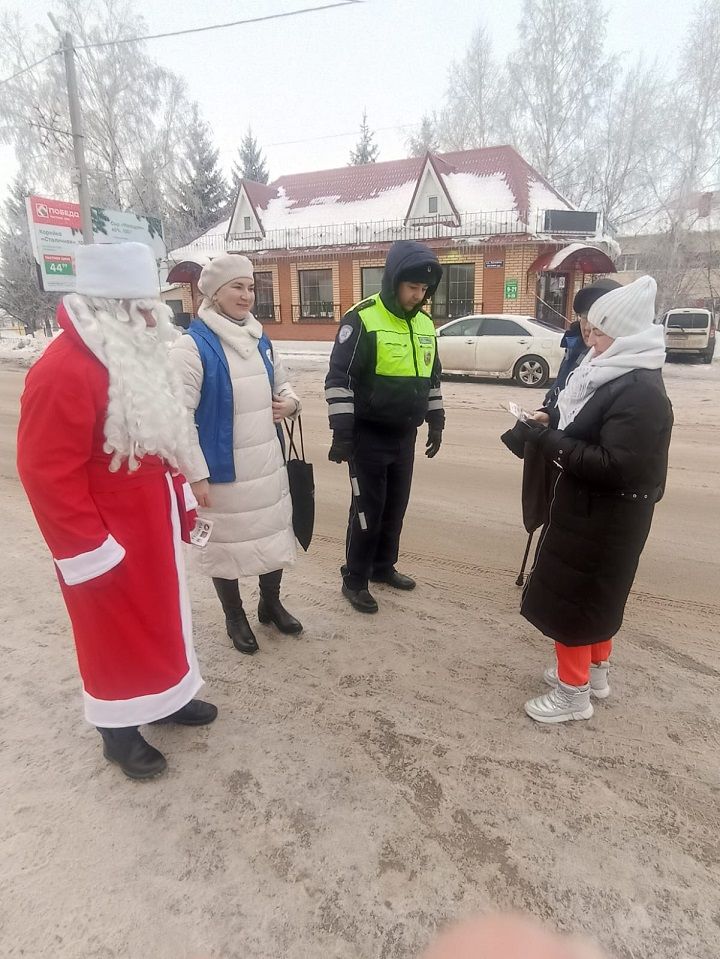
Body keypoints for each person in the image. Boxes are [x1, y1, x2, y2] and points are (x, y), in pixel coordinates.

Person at [16, 242, 217, 780]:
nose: (157, 314)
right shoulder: (62, 369)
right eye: (144, 304)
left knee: (161, 618)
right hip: (103, 530)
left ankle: (167, 697)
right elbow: (44, 471)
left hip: (150, 520)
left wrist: (183, 489)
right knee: (112, 630)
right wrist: (85, 547)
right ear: (113, 306)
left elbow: (161, 433)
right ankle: (118, 732)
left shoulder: (140, 355)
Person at [516, 275, 673, 723]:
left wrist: (551, 442)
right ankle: (595, 673)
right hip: (605, 512)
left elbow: (613, 465)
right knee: (597, 597)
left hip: (603, 513)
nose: (593, 340)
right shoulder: (622, 373)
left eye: (600, 332)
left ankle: (573, 694)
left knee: (575, 600)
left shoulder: (638, 390)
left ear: (623, 333)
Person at [171, 253, 302, 655]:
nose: (247, 296)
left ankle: (270, 601)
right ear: (213, 292)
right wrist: (195, 475)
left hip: (265, 461)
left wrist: (291, 402)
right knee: (225, 547)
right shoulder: (191, 347)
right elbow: (179, 418)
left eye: (250, 287)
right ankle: (235, 616)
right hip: (221, 472)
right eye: (237, 287)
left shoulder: (260, 338)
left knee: (272, 534)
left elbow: (283, 383)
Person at [325, 240, 445, 613]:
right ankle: (355, 578)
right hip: (368, 435)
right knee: (367, 511)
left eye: (424, 289)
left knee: (395, 507)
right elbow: (338, 380)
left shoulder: (425, 324)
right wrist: (342, 432)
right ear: (393, 281)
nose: (418, 295)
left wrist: (436, 420)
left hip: (403, 435)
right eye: (412, 287)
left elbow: (432, 378)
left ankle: (382, 566)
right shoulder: (362, 319)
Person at [542, 277, 622, 411]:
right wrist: (548, 414)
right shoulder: (574, 346)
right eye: (584, 317)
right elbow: (561, 388)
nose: (587, 327)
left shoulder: (629, 374)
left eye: (597, 319)